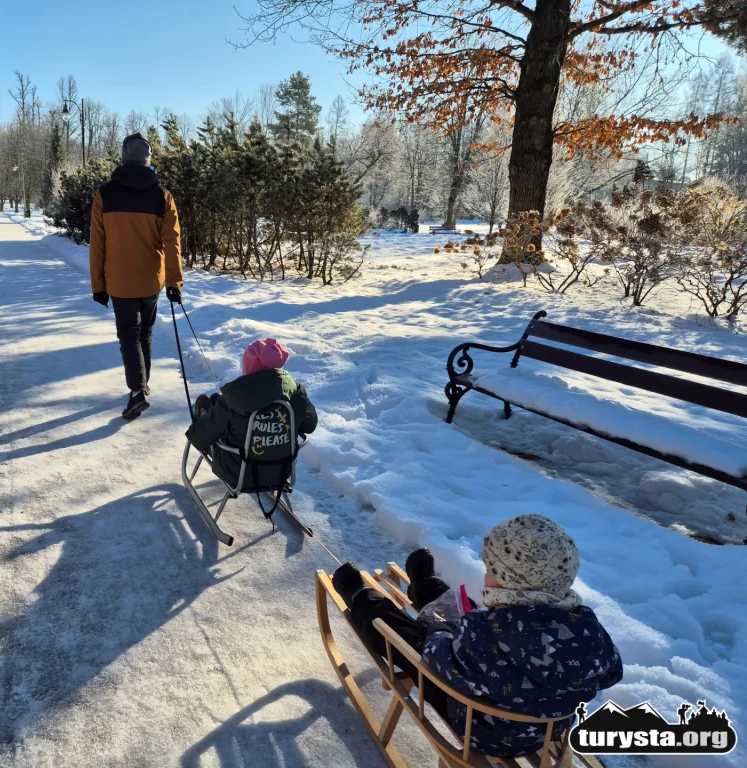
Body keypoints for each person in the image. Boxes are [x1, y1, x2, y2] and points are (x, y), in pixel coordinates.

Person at [333, 514, 623, 759]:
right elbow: (612, 672)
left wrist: (437, 635)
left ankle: (364, 601)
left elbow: (440, 659)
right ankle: (426, 588)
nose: (485, 575)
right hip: (549, 731)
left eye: (491, 570)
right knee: (471, 620)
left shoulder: (484, 631)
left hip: (481, 727)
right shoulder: (589, 628)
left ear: (512, 583)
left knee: (415, 642)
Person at [89, 132, 182, 420]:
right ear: (148, 160)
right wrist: (174, 282)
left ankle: (137, 390)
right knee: (145, 333)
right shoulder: (162, 196)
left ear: (124, 158)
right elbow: (172, 242)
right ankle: (142, 386)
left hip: (119, 280)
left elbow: (98, 242)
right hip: (150, 279)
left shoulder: (105, 193)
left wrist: (98, 285)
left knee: (129, 335)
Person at [186, 338, 317, 492]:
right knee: (221, 406)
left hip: (237, 472)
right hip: (282, 472)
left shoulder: (234, 398)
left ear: (248, 367)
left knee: (211, 409)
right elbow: (310, 425)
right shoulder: (296, 394)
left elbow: (199, 438)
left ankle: (205, 412)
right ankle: (215, 412)